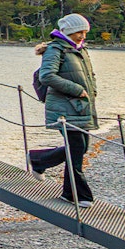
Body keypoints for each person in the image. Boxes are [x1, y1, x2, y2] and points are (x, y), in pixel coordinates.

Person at [29, 13, 98, 207]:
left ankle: (39, 160)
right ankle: (80, 195)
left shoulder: (80, 49)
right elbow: (47, 76)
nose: (82, 35)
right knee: (76, 148)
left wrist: (92, 91)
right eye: (79, 32)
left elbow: (89, 75)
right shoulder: (55, 49)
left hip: (80, 107)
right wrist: (77, 90)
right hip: (63, 108)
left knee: (80, 147)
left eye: (85, 32)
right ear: (68, 31)